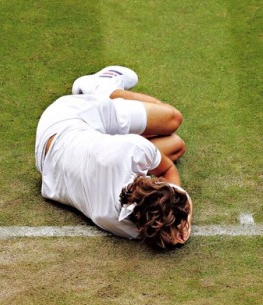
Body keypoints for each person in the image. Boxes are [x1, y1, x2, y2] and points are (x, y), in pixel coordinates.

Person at [35, 66, 192, 249]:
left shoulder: (133, 153)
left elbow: (169, 175)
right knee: (174, 127)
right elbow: (169, 171)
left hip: (59, 130)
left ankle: (104, 95)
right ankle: (101, 86)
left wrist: (179, 216)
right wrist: (181, 224)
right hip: (57, 140)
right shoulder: (116, 219)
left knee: (173, 133)